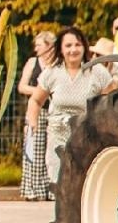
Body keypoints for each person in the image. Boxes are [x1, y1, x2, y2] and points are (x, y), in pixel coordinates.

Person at [25, 26, 112, 186]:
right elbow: (35, 101)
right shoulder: (52, 73)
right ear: (61, 50)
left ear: (84, 47)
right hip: (58, 136)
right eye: (68, 46)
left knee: (84, 185)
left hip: (88, 136)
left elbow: (112, 102)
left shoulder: (97, 72)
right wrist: (32, 121)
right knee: (61, 185)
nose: (73, 50)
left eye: (77, 45)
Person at [16, 30, 58, 201]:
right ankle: (33, 188)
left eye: (39, 45)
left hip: (53, 110)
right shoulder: (33, 63)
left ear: (49, 46)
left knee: (52, 149)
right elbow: (22, 86)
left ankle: (51, 188)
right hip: (37, 110)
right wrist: (41, 91)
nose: (36, 48)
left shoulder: (57, 64)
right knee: (35, 147)